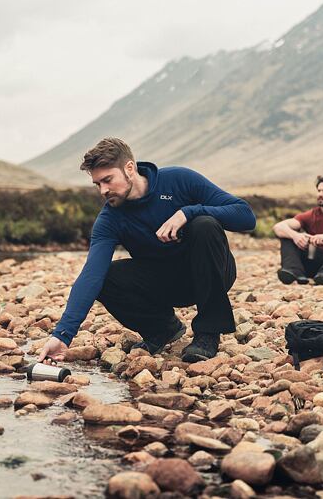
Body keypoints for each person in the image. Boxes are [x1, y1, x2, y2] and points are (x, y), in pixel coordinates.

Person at [37, 137, 256, 364]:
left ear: (129, 168)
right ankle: (162, 329)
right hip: (167, 284)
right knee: (105, 277)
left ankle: (207, 335)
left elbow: (245, 216)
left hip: (213, 273)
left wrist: (188, 212)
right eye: (97, 184)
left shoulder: (179, 180)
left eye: (107, 180)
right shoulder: (109, 219)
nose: (103, 190)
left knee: (204, 225)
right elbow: (91, 275)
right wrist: (62, 335)